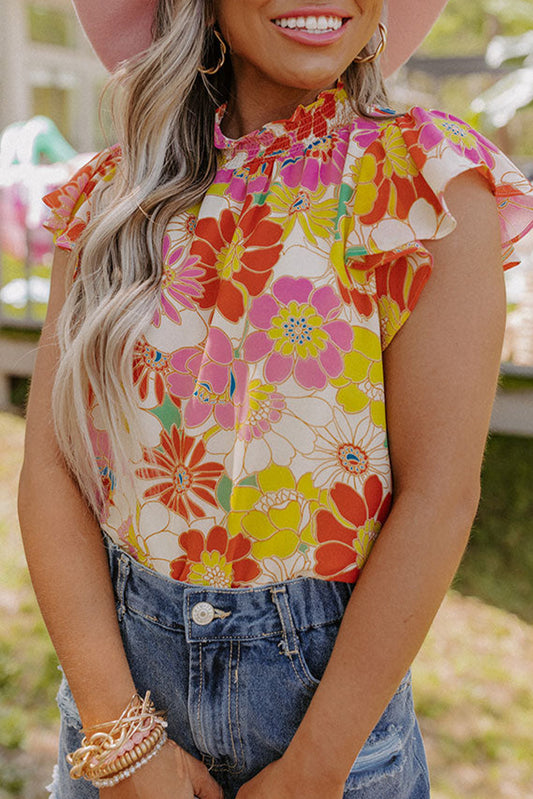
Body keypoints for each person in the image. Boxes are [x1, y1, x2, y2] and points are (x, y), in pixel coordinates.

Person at [18, 1, 533, 798]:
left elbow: (438, 495)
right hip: (118, 707)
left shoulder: (424, 187)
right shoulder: (113, 200)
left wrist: (316, 768)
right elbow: (51, 466)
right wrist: (118, 735)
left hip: (335, 737)